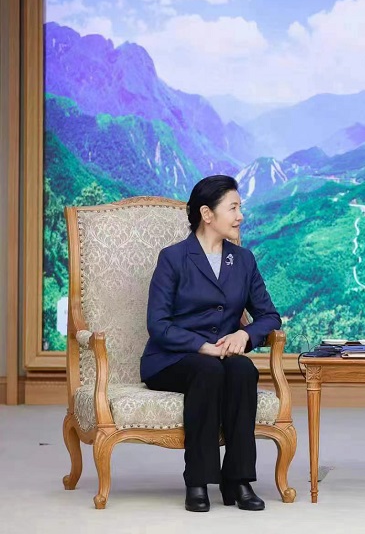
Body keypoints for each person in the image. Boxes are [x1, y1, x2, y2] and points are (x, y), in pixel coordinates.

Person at [140, 175, 282, 512]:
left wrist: (244, 335)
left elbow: (269, 316)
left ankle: (238, 481)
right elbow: (158, 324)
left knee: (243, 371)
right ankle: (198, 481)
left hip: (220, 357)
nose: (240, 216)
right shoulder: (174, 258)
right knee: (208, 370)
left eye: (239, 208)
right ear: (207, 214)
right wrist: (201, 346)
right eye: (233, 208)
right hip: (171, 358)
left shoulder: (243, 260)